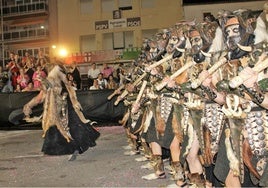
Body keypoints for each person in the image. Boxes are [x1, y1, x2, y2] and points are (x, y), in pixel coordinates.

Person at [22, 61, 100, 161]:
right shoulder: (53, 78)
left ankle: (74, 148)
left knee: (68, 128)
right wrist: (29, 105)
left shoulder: (54, 75)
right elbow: (41, 96)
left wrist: (29, 105)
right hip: (61, 109)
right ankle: (74, 148)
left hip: (63, 108)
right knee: (69, 128)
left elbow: (46, 94)